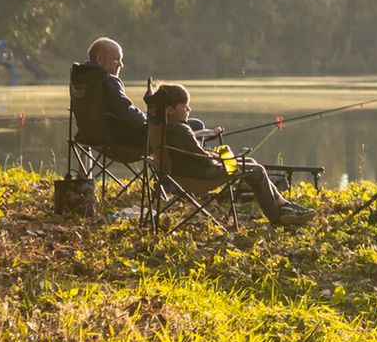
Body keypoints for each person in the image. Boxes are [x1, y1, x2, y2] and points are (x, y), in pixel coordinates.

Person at [144, 83, 314, 227]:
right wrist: (220, 157)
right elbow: (203, 161)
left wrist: (216, 155)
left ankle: (284, 206)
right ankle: (278, 217)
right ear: (170, 110)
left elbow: (193, 154)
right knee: (256, 170)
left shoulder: (163, 126)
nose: (189, 109)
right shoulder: (180, 129)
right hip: (199, 176)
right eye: (184, 106)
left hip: (184, 172)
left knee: (250, 162)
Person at [77, 36, 148, 151]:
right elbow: (128, 112)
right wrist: (147, 119)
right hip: (118, 142)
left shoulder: (80, 77)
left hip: (87, 137)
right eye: (116, 59)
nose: (121, 64)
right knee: (172, 130)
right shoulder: (107, 80)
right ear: (100, 59)